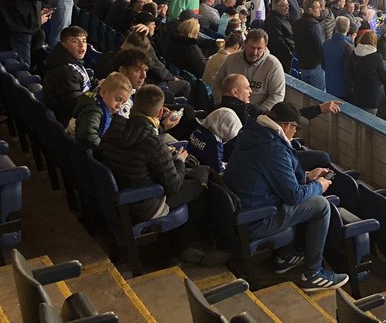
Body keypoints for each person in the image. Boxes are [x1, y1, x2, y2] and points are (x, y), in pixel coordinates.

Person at [221, 100, 348, 290]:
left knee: (296, 195)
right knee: (321, 206)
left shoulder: (253, 132)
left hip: (243, 208)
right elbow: (294, 196)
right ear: (286, 125)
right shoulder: (274, 148)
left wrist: (306, 176)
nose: (295, 133)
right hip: (255, 219)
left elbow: (273, 176)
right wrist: (318, 185)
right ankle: (313, 274)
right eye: (295, 128)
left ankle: (284, 257)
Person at [97, 84, 225, 265]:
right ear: (158, 114)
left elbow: (138, 146)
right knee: (200, 186)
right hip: (145, 204)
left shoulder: (113, 128)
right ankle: (178, 249)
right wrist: (179, 160)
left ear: (133, 106)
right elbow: (174, 185)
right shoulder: (153, 144)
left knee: (193, 175)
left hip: (119, 194)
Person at [211, 29, 285, 110]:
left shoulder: (274, 65)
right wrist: (220, 102)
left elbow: (277, 95)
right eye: (251, 47)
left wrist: (258, 114)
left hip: (256, 113)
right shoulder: (231, 59)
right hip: (228, 109)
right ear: (245, 43)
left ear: (265, 46)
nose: (255, 52)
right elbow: (217, 82)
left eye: (259, 48)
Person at [42, 25, 93, 122]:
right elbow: (74, 105)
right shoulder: (66, 71)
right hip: (68, 119)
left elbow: (84, 81)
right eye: (75, 41)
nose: (81, 45)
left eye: (84, 41)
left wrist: (99, 84)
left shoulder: (71, 60)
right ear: (64, 44)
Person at [70, 73, 133, 150]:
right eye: (118, 99)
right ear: (103, 92)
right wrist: (104, 150)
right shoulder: (94, 110)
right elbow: (87, 135)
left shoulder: (103, 109)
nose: (119, 106)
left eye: (123, 102)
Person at [347, 30, 386, 114]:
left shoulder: (354, 53)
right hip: (373, 98)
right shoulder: (377, 57)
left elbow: (349, 74)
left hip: (358, 95)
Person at [293, 0, 327, 90]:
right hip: (315, 65)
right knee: (320, 95)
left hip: (303, 64)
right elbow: (320, 45)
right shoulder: (314, 25)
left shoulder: (297, 23)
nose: (320, 9)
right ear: (310, 10)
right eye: (317, 7)